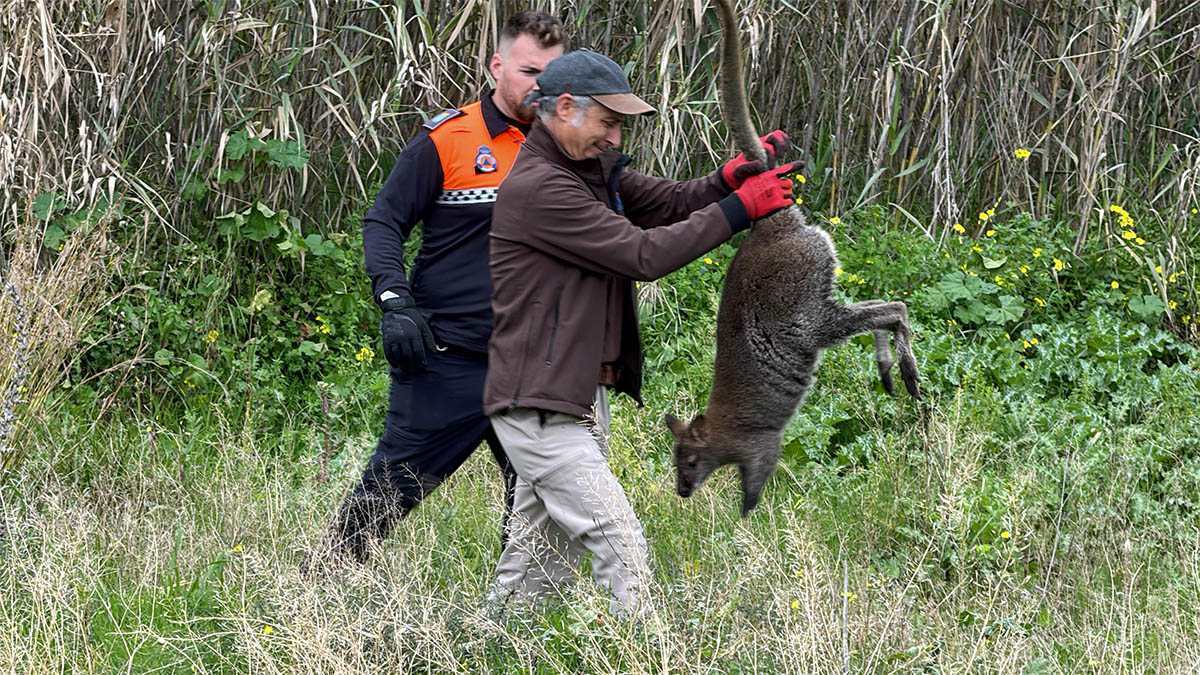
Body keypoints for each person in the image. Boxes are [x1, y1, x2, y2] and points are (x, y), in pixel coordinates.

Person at [482, 49, 796, 616]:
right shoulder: (541, 189)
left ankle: (488, 643)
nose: (615, 136)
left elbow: (669, 203)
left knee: (537, 562)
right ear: (566, 108)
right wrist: (740, 209)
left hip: (570, 395)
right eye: (608, 121)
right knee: (619, 541)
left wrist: (727, 182)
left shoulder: (590, 173)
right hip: (541, 404)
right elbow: (641, 254)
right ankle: (648, 651)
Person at [314, 11, 566, 566]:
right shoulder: (449, 138)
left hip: (531, 364)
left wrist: (726, 190)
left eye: (552, 75)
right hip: (447, 358)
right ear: (496, 65)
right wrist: (394, 301)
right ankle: (314, 595)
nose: (540, 86)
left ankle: (516, 614)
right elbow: (384, 221)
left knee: (540, 508)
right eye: (529, 71)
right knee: (387, 495)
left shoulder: (565, 145)